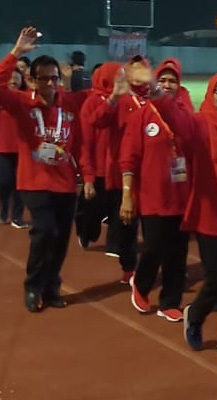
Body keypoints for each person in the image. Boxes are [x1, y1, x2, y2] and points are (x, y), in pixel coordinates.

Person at [130, 64, 217, 360]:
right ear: (211, 93)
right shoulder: (199, 124)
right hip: (210, 215)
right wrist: (154, 89)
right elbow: (173, 116)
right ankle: (196, 313)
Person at [0, 27, 83, 312]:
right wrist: (15, 53)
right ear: (32, 81)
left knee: (60, 240)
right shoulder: (22, 103)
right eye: (44, 78)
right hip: (34, 182)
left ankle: (51, 286)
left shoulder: (69, 103)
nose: (50, 83)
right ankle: (33, 286)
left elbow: (102, 98)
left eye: (54, 78)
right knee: (45, 231)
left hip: (65, 183)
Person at [119, 59, 192, 322]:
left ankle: (170, 301)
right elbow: (129, 158)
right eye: (162, 80)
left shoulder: (185, 114)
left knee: (178, 252)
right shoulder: (141, 116)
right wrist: (127, 195)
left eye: (172, 81)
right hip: (152, 195)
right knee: (154, 247)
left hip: (182, 195)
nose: (167, 85)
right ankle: (141, 283)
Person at [79, 61, 138, 283]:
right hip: (98, 172)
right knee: (91, 213)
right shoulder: (92, 103)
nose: (123, 81)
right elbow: (89, 135)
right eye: (118, 77)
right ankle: (86, 233)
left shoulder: (129, 101)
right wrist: (88, 177)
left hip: (122, 172)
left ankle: (127, 263)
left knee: (125, 219)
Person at [0, 67, 28, 228]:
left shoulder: (25, 98)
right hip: (2, 148)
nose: (13, 81)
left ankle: (17, 217)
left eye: (16, 78)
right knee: (4, 182)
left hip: (22, 149)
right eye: (10, 77)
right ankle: (3, 212)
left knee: (20, 184)